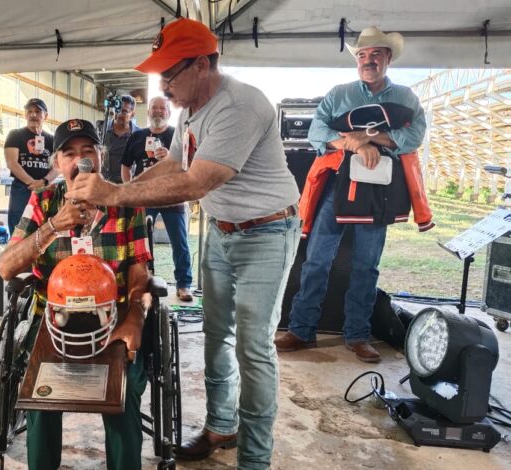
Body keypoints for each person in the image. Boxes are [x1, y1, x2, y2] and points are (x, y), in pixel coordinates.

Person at [66, 18, 301, 470]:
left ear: (201, 65)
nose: (162, 87)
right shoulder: (189, 106)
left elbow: (195, 183)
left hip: (267, 233)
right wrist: (118, 194)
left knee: (252, 347)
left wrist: (114, 195)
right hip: (222, 229)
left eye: (169, 75)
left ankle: (254, 459)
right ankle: (221, 426)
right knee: (216, 337)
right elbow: (176, 162)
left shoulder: (240, 106)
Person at [0, 118, 151, 470]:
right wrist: (54, 225)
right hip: (51, 323)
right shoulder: (43, 201)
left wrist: (135, 321)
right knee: (40, 399)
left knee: (123, 399)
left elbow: (140, 270)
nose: (79, 160)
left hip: (114, 321)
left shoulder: (127, 204)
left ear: (100, 156)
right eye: (69, 153)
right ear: (57, 163)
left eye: (87, 151)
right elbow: (6, 268)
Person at [275, 26, 427, 364]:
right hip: (337, 186)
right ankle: (301, 328)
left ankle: (357, 335)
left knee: (366, 265)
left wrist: (370, 139)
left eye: (375, 54)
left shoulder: (405, 97)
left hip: (381, 191)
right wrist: (351, 144)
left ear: (388, 58)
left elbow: (415, 134)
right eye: (362, 55)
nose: (368, 60)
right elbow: (318, 130)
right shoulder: (338, 93)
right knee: (315, 259)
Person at [121, 96, 193, 302]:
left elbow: (190, 165)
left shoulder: (179, 135)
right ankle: (141, 280)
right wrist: (130, 189)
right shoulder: (137, 136)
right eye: (154, 108)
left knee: (180, 242)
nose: (158, 112)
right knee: (138, 241)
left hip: (173, 197)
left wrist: (171, 157)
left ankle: (184, 284)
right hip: (145, 197)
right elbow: (125, 166)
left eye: (162, 108)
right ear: (148, 112)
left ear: (169, 113)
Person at [4, 98, 58, 234]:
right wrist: (32, 183)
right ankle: (17, 254)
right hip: (22, 188)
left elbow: (58, 166)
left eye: (38, 111)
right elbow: (11, 162)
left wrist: (44, 181)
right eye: (29, 111)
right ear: (25, 114)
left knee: (45, 227)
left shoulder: (52, 140)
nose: (33, 115)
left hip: (45, 188)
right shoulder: (15, 135)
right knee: (19, 227)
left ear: (46, 115)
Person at [101, 95, 138, 183]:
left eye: (125, 111)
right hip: (104, 183)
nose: (120, 114)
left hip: (127, 185)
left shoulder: (138, 135)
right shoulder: (102, 129)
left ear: (132, 114)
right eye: (118, 110)